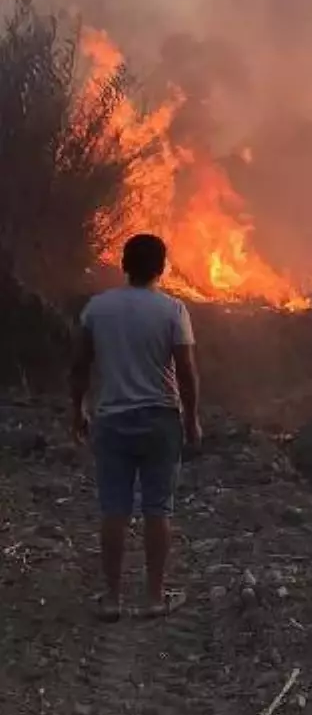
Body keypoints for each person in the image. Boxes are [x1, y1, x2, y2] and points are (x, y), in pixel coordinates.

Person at [70, 233, 201, 621]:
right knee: (158, 508)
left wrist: (76, 410)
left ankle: (111, 599)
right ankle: (155, 597)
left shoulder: (97, 308)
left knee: (114, 508)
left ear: (124, 265)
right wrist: (192, 419)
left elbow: (80, 366)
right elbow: (187, 371)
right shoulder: (173, 310)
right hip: (161, 419)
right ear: (162, 268)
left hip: (111, 418)